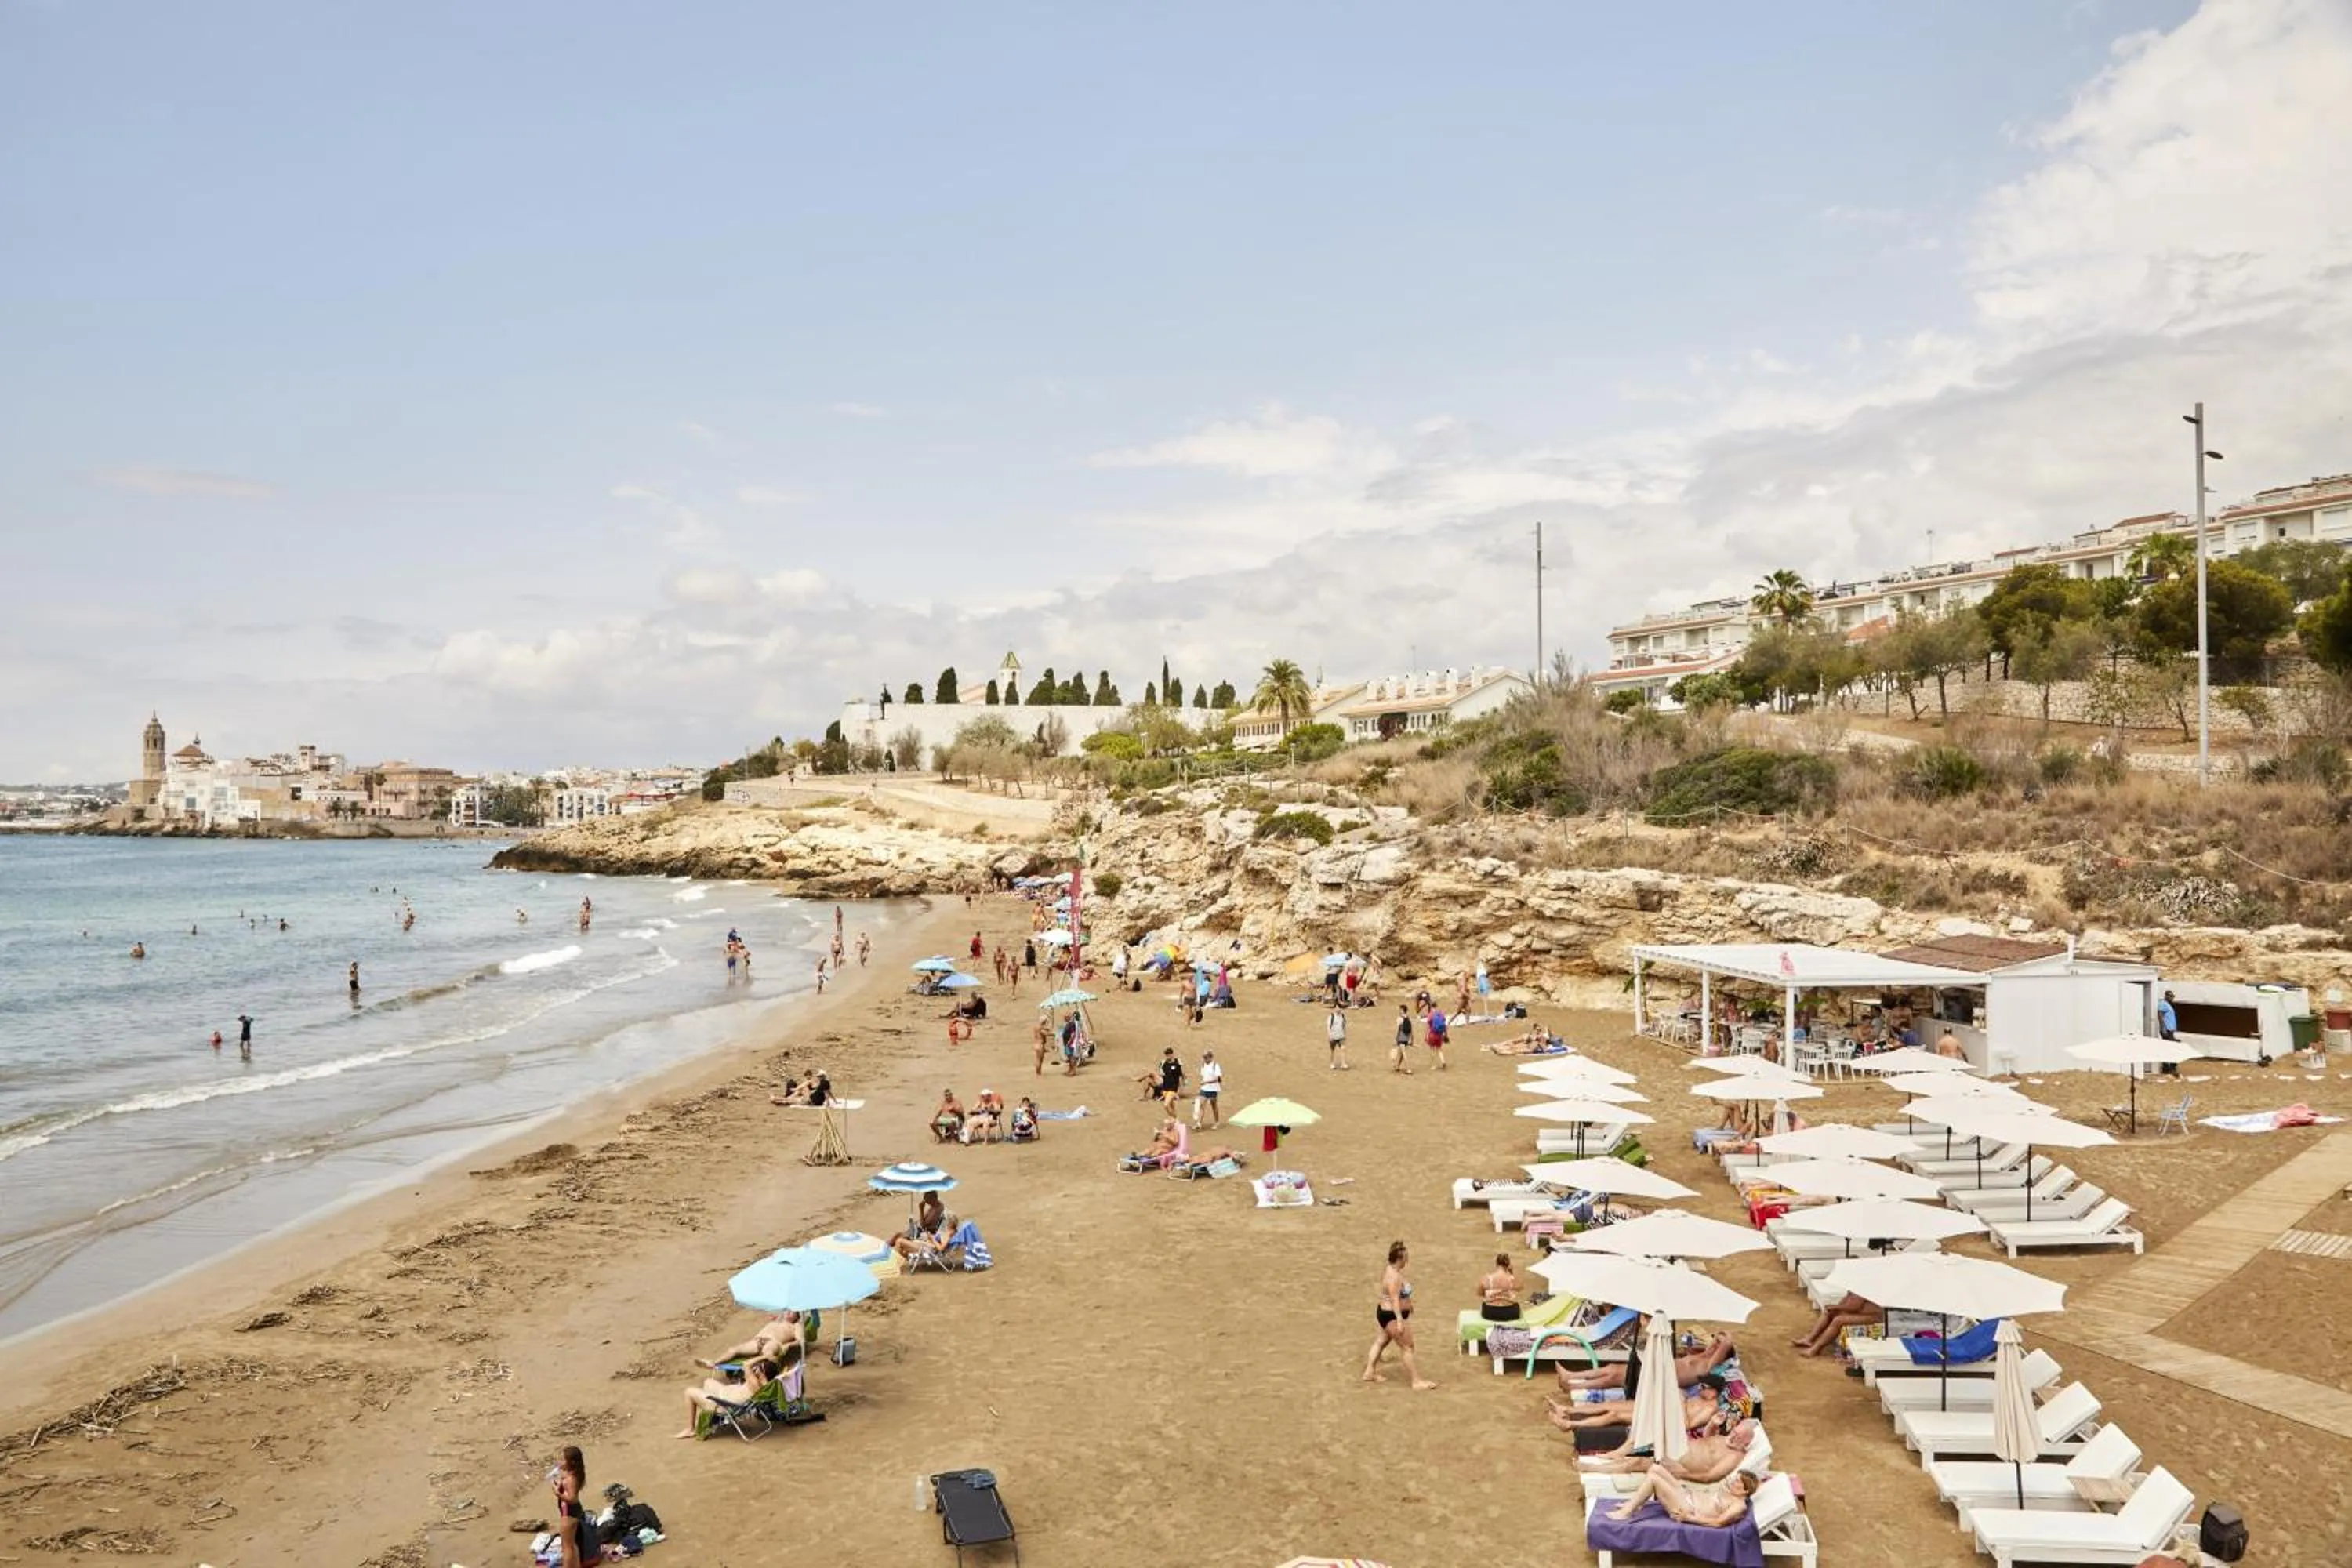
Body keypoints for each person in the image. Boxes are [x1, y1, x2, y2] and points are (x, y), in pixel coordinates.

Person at [1581, 1415, 1762, 1478]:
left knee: (1640, 1463)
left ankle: (1593, 1468)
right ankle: (1616, 1457)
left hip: (1681, 1465)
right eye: (1734, 1432)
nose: (1733, 1435)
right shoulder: (1727, 1439)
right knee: (1642, 1445)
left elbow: (1709, 1476)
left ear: (1746, 1442)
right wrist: (1714, 1424)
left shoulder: (1734, 1457)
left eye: (1738, 1436)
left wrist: (1684, 1474)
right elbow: (1707, 1440)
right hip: (1678, 1450)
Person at [1361, 1240, 1436, 1390]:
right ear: (1400, 1259)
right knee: (1407, 1347)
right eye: (1406, 1257)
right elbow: (1395, 1299)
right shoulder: (1394, 1277)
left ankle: (1369, 1372)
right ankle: (1416, 1381)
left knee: (1381, 1342)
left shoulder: (1389, 1270)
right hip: (1392, 1316)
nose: (1408, 1259)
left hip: (1384, 1313)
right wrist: (1400, 1321)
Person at [1560, 1332, 1735, 1392]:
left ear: (1722, 1355)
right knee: (1613, 1368)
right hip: (1657, 1370)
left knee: (1614, 1377)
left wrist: (1723, 1342)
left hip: (1660, 1379)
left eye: (1717, 1347)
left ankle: (1573, 1386)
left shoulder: (1708, 1366)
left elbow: (1726, 1343)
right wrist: (1717, 1338)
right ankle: (1571, 1376)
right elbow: (1718, 1341)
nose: (1714, 1346)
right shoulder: (1702, 1355)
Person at [1602, 1465, 1756, 1526]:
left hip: (1686, 1509)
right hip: (1687, 1495)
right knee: (1655, 1468)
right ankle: (1636, 1502)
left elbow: (1718, 1522)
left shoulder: (1738, 1505)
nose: (1733, 1481)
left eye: (1737, 1482)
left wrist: (1689, 1518)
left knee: (1654, 1480)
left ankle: (1626, 1512)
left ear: (1745, 1491)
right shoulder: (1731, 1493)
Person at [677, 1350, 782, 1437]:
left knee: (689, 1392)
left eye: (759, 1367)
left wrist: (764, 1357)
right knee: (708, 1382)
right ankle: (711, 1417)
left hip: (724, 1405)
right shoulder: (767, 1385)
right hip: (728, 1395)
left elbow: (746, 1364)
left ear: (762, 1372)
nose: (756, 1368)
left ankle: (691, 1428)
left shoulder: (754, 1382)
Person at [1792, 1291, 1880, 1356]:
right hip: (1860, 1313)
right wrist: (1835, 1308)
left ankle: (1815, 1349)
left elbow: (1855, 1306)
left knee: (1839, 1320)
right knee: (1829, 1312)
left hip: (1873, 1317)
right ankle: (1809, 1339)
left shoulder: (1864, 1284)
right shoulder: (1856, 1282)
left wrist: (1836, 1307)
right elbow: (1848, 1300)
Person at [550, 1445, 595, 1567]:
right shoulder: (572, 1475)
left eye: (563, 1460)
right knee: (572, 1544)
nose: (560, 1462)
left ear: (572, 1462)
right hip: (573, 1512)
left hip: (569, 1514)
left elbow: (572, 1498)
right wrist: (561, 1485)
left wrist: (558, 1493)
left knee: (566, 1547)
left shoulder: (571, 1479)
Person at [891, 1192, 951, 1260]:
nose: (925, 1201)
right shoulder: (934, 1206)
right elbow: (923, 1222)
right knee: (897, 1235)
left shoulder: (937, 1211)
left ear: (932, 1199)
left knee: (899, 1239)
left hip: (923, 1236)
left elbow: (923, 1225)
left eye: (926, 1200)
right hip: (924, 1235)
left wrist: (921, 1209)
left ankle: (889, 1257)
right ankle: (886, 1252)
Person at [1479, 1254, 1520, 1323]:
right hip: (1510, 1313)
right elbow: (1519, 1288)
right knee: (1516, 1304)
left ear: (1496, 1264)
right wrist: (1511, 1273)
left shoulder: (1488, 1278)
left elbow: (1479, 1292)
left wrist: (1492, 1296)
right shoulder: (1511, 1279)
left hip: (1490, 1312)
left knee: (1484, 1304)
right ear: (1508, 1265)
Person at [1194, 1051, 1223, 1129]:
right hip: (1204, 1089)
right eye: (1204, 1058)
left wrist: (1206, 1082)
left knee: (1214, 1106)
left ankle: (1217, 1122)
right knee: (1202, 1105)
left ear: (1211, 1057)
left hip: (1213, 1089)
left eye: (1206, 1058)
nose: (1205, 1059)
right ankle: (1199, 1123)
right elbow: (1203, 1076)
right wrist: (1202, 1084)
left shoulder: (1215, 1066)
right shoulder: (1203, 1065)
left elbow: (1217, 1079)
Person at [2157, 989, 2180, 1076]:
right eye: (2170, 996)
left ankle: (2168, 1067)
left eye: (2173, 996)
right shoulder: (2163, 1004)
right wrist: (2163, 1028)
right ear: (2166, 996)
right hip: (2167, 1030)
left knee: (2169, 1048)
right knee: (2171, 1048)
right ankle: (2169, 1068)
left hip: (2170, 1030)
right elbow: (2160, 1015)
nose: (2172, 998)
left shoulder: (2168, 1005)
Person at [1391, 1004, 1415, 1075]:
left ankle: (1408, 1069)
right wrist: (1412, 1039)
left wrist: (1395, 1039)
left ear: (1402, 1010)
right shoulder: (1408, 1018)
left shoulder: (1399, 1019)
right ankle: (1398, 1066)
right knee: (1402, 1053)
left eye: (1400, 1009)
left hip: (1401, 1037)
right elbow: (1411, 1030)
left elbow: (1397, 1029)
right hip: (1407, 1037)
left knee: (1404, 1053)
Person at [1425, 1004, 1450, 1069]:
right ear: (1436, 1006)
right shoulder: (1441, 1014)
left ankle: (1433, 1065)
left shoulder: (1431, 1015)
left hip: (1432, 1034)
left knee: (1432, 1049)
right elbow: (1445, 1025)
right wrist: (1446, 1035)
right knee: (1439, 1049)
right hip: (1440, 1034)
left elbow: (1428, 1026)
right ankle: (1443, 1061)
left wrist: (1426, 1035)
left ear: (1431, 1007)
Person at [1327, 1004, 1350, 1070]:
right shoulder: (1331, 1016)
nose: (1338, 1009)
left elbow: (1344, 1025)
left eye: (1340, 1008)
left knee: (1343, 1049)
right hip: (1333, 1036)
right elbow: (1329, 1027)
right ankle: (1332, 1063)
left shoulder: (1343, 1016)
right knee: (1332, 1051)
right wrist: (1329, 1036)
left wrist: (1345, 1035)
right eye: (1337, 1008)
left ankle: (1343, 1063)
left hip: (1341, 1036)